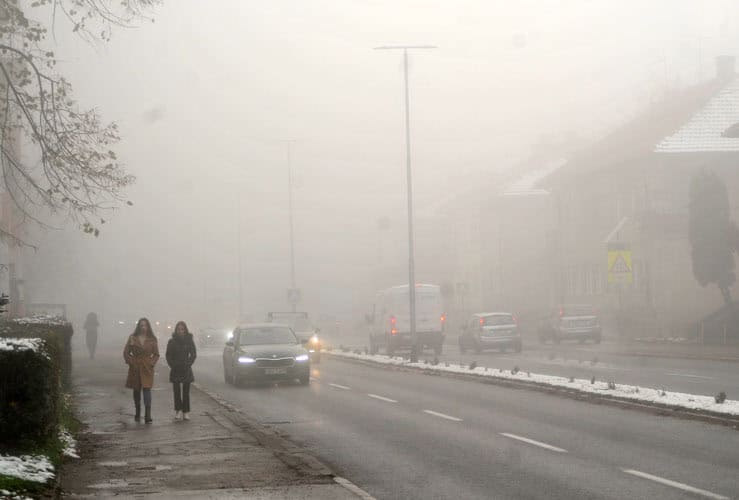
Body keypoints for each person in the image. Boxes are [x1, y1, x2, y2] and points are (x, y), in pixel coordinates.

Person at [123, 318, 160, 423]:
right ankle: (138, 411)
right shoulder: (133, 338)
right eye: (141, 325)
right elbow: (126, 352)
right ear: (138, 326)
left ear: (148, 327)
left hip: (147, 367)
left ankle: (148, 414)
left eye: (145, 325)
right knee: (136, 390)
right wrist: (131, 362)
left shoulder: (152, 339)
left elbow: (156, 354)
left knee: (147, 390)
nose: (143, 327)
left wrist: (151, 363)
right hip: (135, 367)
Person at [165, 321, 197, 421]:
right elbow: (168, 355)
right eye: (178, 329)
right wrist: (172, 365)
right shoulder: (172, 341)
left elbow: (193, 354)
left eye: (182, 329)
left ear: (185, 330)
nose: (180, 331)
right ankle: (178, 410)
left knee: (186, 392)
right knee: (176, 391)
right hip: (175, 369)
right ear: (176, 330)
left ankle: (186, 412)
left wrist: (188, 363)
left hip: (186, 368)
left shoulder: (189, 341)